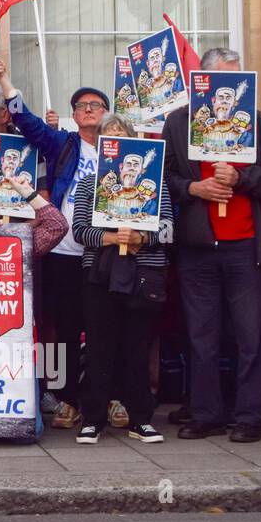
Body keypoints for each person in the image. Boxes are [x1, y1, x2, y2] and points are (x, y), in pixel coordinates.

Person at [163, 48, 261, 443]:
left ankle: (249, 415)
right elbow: (162, 181)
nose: (228, 91)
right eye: (220, 81)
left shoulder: (260, 124)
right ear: (202, 82)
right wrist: (193, 188)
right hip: (198, 247)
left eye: (237, 81)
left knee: (250, 337)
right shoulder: (179, 122)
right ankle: (206, 413)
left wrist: (240, 177)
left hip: (246, 245)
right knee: (201, 335)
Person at [0, 55, 109, 430]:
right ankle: (68, 399)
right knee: (64, 329)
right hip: (63, 251)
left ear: (106, 112)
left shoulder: (120, 148)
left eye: (95, 105)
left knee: (107, 328)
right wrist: (5, 79)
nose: (88, 110)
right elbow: (27, 122)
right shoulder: (65, 145)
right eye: (81, 106)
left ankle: (112, 398)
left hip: (104, 252)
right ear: (74, 114)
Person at [70, 114, 175, 445]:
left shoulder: (155, 183)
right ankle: (93, 419)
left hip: (143, 273)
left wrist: (143, 238)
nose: (116, 145)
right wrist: (112, 238)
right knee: (99, 347)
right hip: (101, 273)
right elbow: (80, 230)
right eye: (108, 137)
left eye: (122, 137)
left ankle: (140, 418)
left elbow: (170, 229)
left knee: (137, 347)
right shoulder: (89, 183)